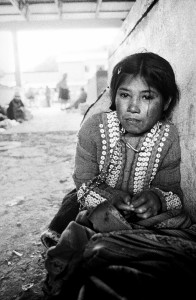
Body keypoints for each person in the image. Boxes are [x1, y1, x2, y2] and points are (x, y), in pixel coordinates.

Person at [41, 52, 196, 299]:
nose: (133, 107)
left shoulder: (168, 137)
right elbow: (84, 181)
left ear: (166, 102)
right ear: (114, 96)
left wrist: (156, 198)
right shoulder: (94, 129)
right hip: (94, 200)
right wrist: (109, 199)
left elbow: (172, 192)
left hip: (139, 215)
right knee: (75, 208)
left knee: (177, 223)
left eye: (147, 97)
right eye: (125, 95)